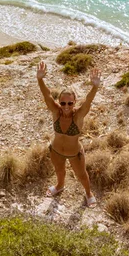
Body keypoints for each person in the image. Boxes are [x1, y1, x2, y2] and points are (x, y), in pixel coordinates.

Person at [36, 61, 101, 207]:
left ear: (74, 102)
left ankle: (88, 193)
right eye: (63, 103)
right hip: (56, 150)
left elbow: (88, 102)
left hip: (74, 153)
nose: (66, 107)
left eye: (70, 103)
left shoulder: (78, 116)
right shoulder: (55, 111)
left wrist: (95, 86)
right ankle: (60, 186)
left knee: (82, 175)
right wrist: (40, 79)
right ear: (60, 102)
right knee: (59, 171)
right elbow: (46, 95)